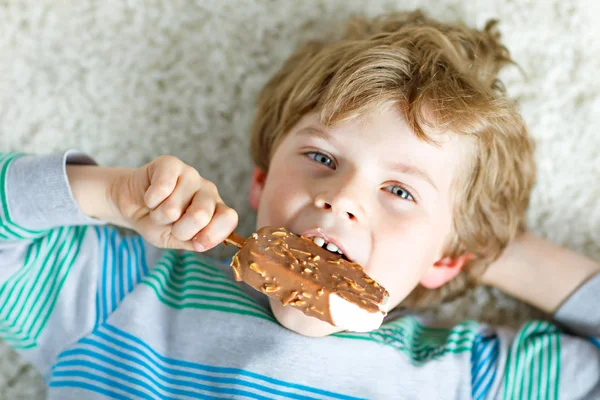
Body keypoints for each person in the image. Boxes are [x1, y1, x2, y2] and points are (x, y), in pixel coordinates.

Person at [1, 10, 598, 399]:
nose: (339, 199)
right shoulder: (127, 293)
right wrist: (114, 194)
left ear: (445, 259)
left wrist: (490, 249)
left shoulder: (465, 379)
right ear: (260, 182)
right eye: (321, 158)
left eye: (400, 191)